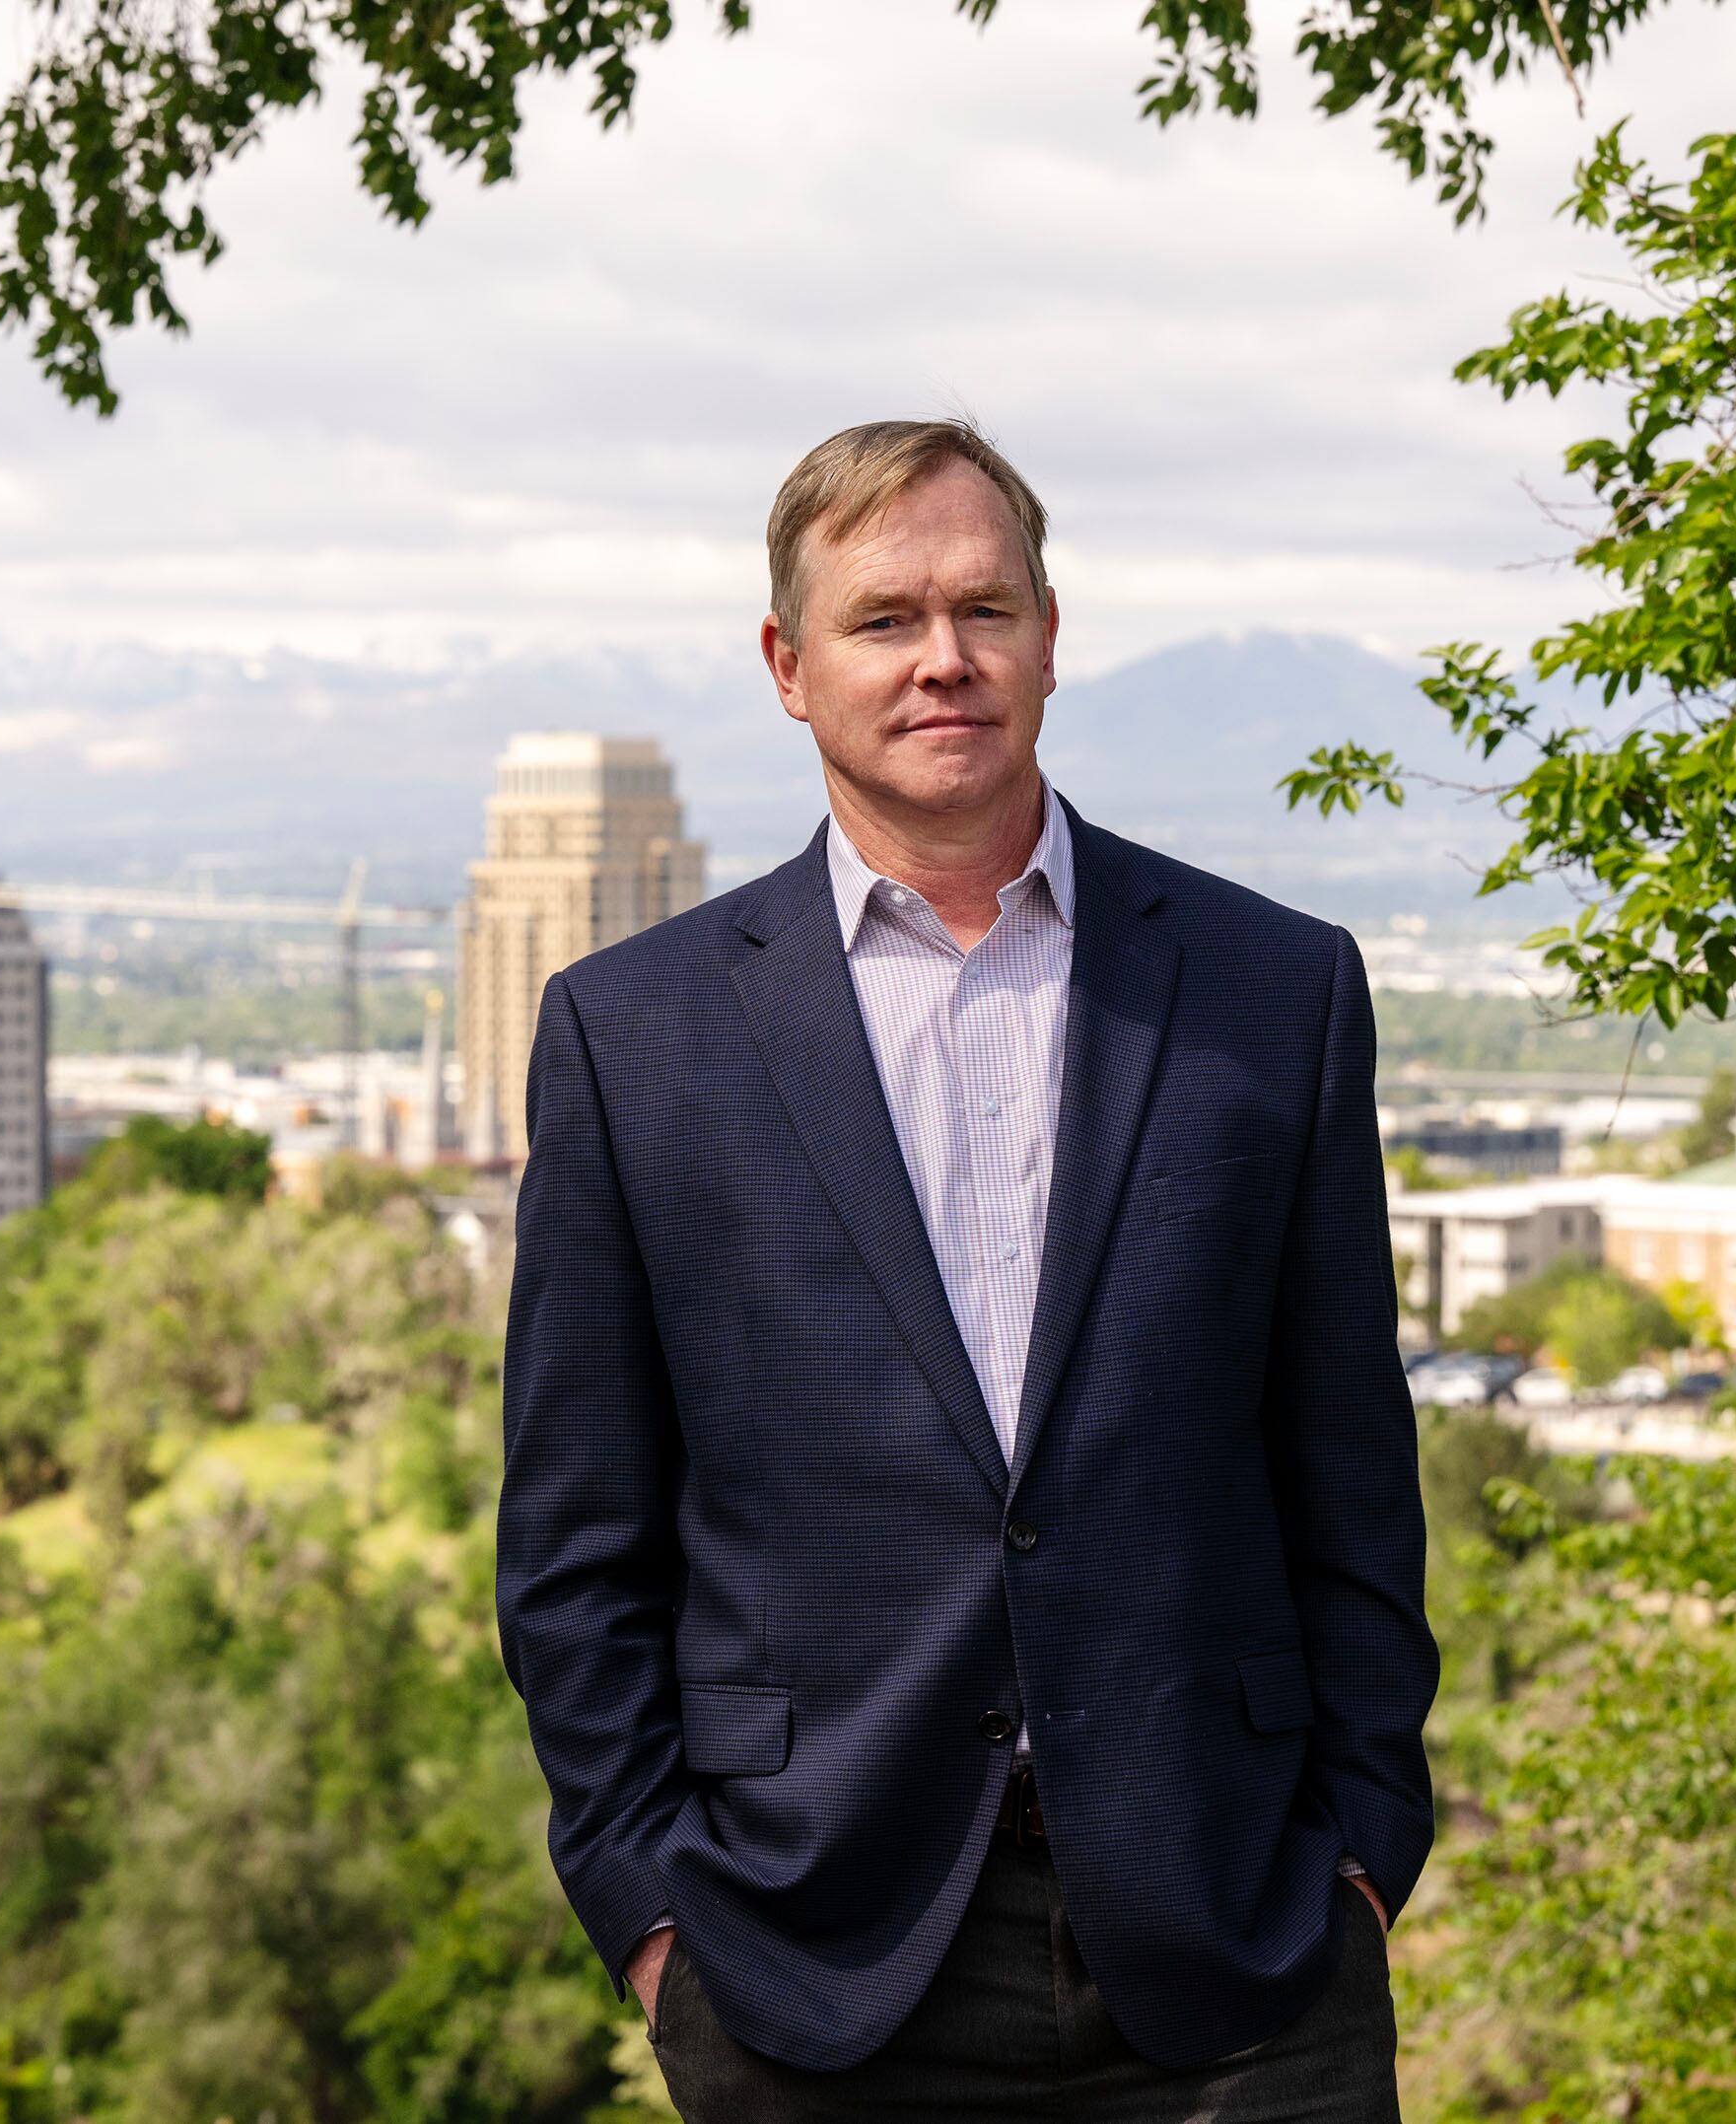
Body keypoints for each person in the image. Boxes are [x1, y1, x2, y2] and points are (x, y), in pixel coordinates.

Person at [495, 418, 1440, 2120]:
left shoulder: (1271, 989)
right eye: (883, 620)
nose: (946, 659)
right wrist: (652, 1910)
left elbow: (1352, 1468)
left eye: (986, 609)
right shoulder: (631, 1037)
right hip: (808, 1963)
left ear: (1052, 638)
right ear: (789, 667)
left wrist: (1364, 1843)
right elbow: (576, 1541)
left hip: (1241, 1954)